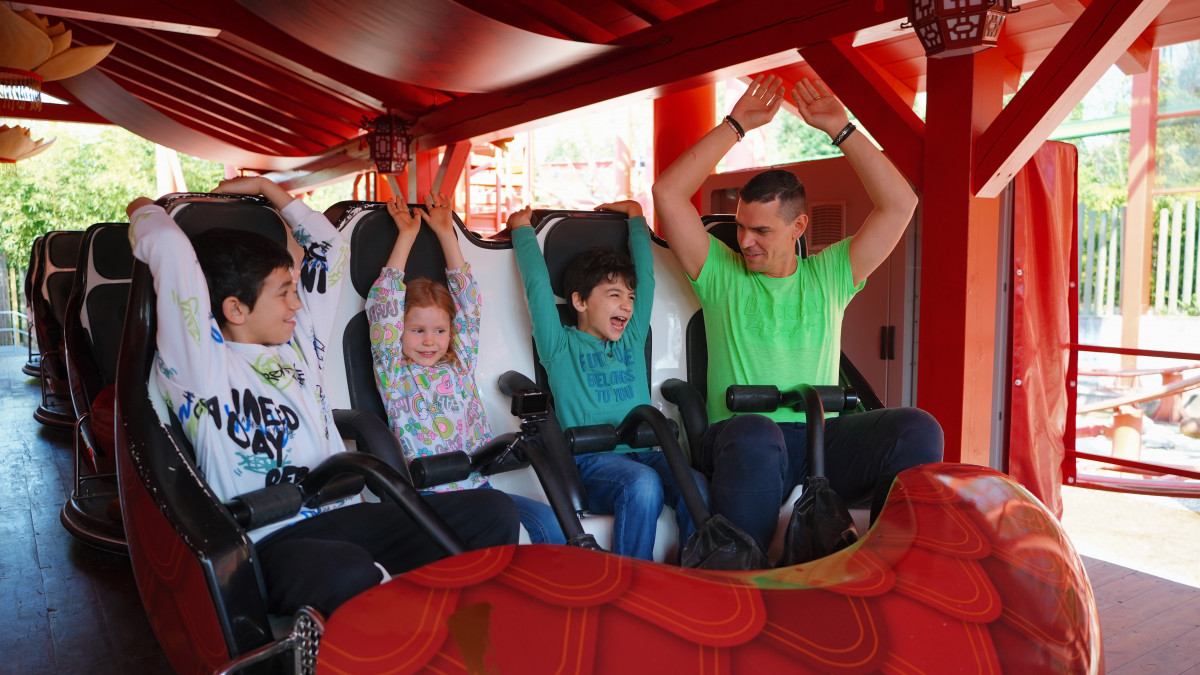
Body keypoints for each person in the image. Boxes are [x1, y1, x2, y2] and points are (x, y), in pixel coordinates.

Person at [126, 176, 519, 617]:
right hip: (272, 537)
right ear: (235, 309)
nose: (298, 304)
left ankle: (467, 630)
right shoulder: (200, 364)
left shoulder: (301, 344)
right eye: (284, 294)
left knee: (494, 510)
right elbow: (167, 247)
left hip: (345, 515)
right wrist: (149, 203)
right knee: (347, 570)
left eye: (295, 290)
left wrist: (265, 188)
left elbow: (330, 250)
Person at [651, 75, 944, 554]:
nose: (745, 240)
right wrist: (735, 126)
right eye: (742, 226)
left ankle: (886, 558)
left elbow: (900, 204)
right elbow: (667, 193)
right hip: (740, 438)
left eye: (761, 230)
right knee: (758, 431)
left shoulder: (829, 276)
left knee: (917, 427)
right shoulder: (721, 273)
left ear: (799, 227)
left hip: (817, 442)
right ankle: (745, 573)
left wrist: (841, 129)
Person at [509, 200, 707, 561]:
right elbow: (537, 289)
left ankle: (691, 571)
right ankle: (633, 580)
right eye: (614, 296)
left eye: (628, 299)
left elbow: (645, 280)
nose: (627, 305)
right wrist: (522, 230)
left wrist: (635, 215)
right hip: (592, 464)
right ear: (580, 302)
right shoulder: (560, 345)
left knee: (695, 484)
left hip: (643, 453)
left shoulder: (630, 340)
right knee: (642, 485)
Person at [365, 192, 565, 545]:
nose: (429, 341)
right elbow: (383, 304)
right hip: (428, 498)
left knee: (548, 523)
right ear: (399, 332)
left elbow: (469, 303)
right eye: (417, 331)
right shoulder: (394, 372)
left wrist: (446, 233)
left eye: (439, 331)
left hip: (478, 486)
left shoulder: (459, 365)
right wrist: (407, 235)